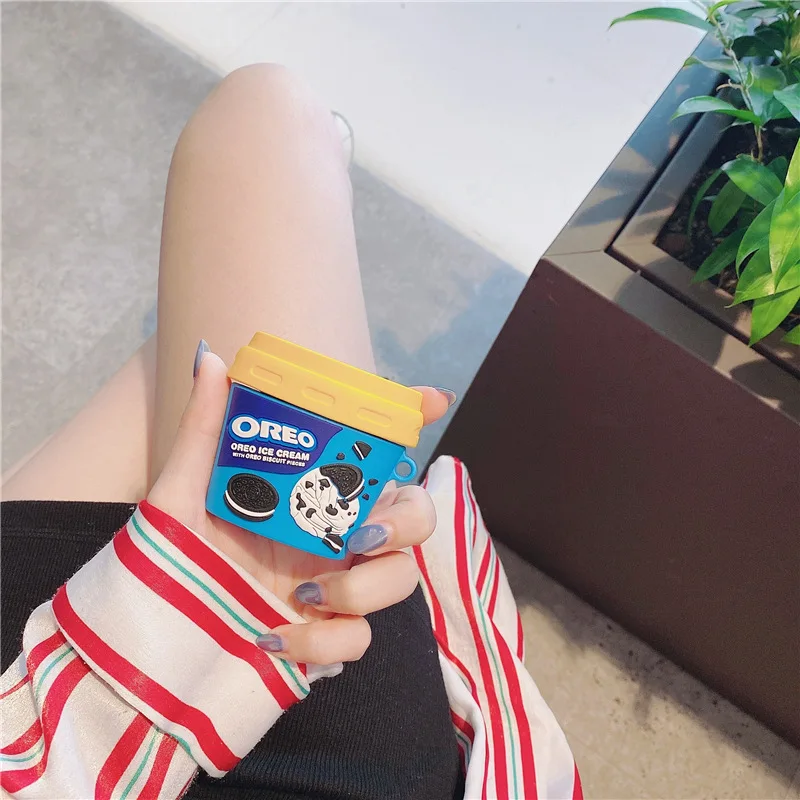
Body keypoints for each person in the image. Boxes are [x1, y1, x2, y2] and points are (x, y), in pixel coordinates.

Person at [1, 65, 579, 800]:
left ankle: (224, 281)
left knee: (262, 146)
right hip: (296, 706)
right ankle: (251, 259)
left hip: (45, 725)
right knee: (268, 127)